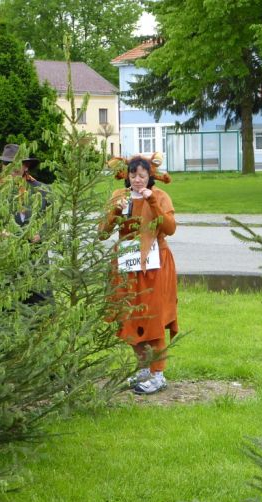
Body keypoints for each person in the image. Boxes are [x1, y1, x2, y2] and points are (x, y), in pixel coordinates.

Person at [101, 154, 178, 395]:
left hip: (155, 267)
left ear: (150, 176)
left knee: (153, 317)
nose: (137, 180)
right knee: (129, 316)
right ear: (127, 175)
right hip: (127, 264)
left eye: (142, 175)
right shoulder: (119, 197)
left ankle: (158, 374)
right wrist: (115, 211)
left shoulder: (160, 196)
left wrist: (152, 201)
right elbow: (102, 233)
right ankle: (144, 367)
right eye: (133, 175)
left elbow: (170, 228)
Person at [0, 143, 50, 304]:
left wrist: (41, 234)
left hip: (35, 263)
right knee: (4, 311)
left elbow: (52, 219)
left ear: (26, 166)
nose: (12, 168)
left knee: (42, 312)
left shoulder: (42, 190)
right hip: (2, 262)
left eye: (17, 164)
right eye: (7, 164)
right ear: (2, 165)